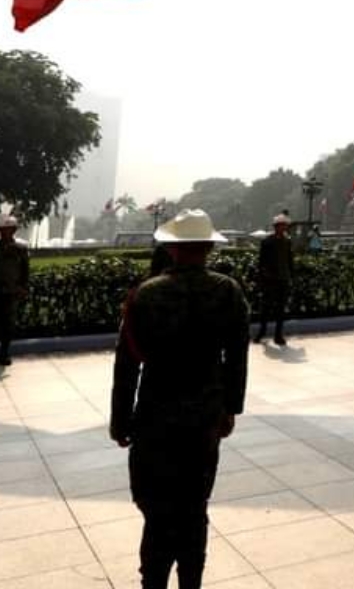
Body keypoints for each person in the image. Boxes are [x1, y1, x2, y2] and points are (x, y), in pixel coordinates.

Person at [110, 209, 249, 589]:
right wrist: (230, 409)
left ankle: (153, 582)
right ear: (208, 248)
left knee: (156, 513)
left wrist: (120, 422)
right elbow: (237, 355)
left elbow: (127, 366)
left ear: (171, 249)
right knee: (193, 508)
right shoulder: (228, 292)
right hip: (204, 418)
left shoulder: (145, 294)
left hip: (155, 417)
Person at [255, 211, 295, 345]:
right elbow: (261, 262)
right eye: (281, 225)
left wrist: (292, 276)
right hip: (270, 279)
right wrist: (263, 276)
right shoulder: (267, 241)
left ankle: (278, 335)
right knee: (266, 308)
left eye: (285, 225)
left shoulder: (287, 241)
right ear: (276, 226)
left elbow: (290, 260)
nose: (284, 228)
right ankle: (262, 332)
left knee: (280, 309)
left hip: (283, 278)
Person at [0, 213, 29, 367]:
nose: (6, 232)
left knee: (8, 325)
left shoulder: (21, 249)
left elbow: (25, 271)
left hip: (11, 292)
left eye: (10, 229)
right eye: (4, 229)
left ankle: (4, 353)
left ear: (14, 230)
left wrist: (23, 288)